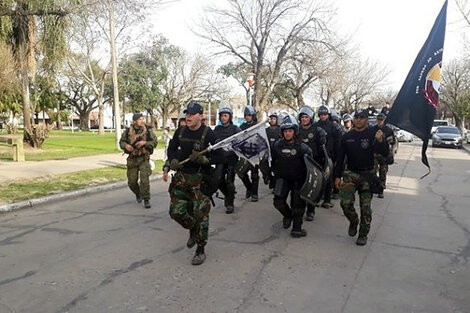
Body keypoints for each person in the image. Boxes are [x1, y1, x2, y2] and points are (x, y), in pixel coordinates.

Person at [164, 101, 218, 265]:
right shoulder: (180, 131)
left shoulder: (209, 134)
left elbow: (221, 156)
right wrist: (172, 160)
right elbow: (172, 149)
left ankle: (200, 250)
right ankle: (193, 228)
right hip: (181, 179)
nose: (188, 117)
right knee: (176, 212)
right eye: (187, 113)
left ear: (200, 116)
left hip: (200, 181)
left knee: (201, 216)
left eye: (192, 114)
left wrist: (204, 159)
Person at [334, 109, 389, 246]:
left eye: (362, 117)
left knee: (365, 208)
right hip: (351, 174)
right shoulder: (347, 137)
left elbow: (385, 152)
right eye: (356, 117)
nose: (358, 120)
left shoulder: (373, 134)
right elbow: (340, 158)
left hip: (367, 175)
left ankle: (363, 234)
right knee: (345, 204)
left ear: (366, 119)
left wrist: (381, 140)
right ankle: (353, 221)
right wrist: (337, 176)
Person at [272, 114, 313, 237]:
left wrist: (308, 183)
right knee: (278, 202)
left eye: (290, 131)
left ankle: (297, 229)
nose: (287, 133)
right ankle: (287, 215)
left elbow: (311, 167)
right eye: (285, 131)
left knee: (298, 205)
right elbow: (272, 161)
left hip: (298, 180)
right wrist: (270, 175)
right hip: (282, 178)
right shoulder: (277, 146)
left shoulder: (303, 148)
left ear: (294, 131)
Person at [119, 113, 157, 209]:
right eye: (139, 119)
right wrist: (126, 146)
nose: (142, 121)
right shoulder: (128, 131)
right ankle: (138, 193)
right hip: (132, 158)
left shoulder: (147, 131)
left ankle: (146, 199)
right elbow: (121, 142)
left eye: (142, 119)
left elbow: (154, 142)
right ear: (134, 121)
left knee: (144, 180)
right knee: (132, 181)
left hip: (143, 158)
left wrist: (145, 143)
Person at [297, 106, 327, 221]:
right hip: (300, 164)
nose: (304, 119)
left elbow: (322, 149)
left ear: (311, 118)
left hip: (314, 164)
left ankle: (311, 210)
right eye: (302, 117)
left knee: (312, 188)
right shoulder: (296, 130)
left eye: (306, 117)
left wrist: (323, 164)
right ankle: (299, 210)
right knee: (299, 188)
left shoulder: (318, 131)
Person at [213, 107, 241, 214]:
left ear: (230, 117)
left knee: (229, 182)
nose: (223, 118)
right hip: (220, 159)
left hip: (231, 160)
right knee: (218, 180)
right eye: (222, 116)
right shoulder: (217, 129)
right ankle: (229, 195)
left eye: (226, 115)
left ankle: (229, 203)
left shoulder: (235, 129)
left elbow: (241, 141)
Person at [314, 105, 342, 208]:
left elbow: (338, 143)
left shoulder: (333, 126)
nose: (323, 116)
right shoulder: (315, 126)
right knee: (317, 177)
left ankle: (327, 200)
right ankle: (316, 198)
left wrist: (338, 158)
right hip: (317, 156)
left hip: (330, 156)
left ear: (328, 115)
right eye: (321, 114)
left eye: (325, 114)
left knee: (329, 178)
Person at [371, 113, 396, 198]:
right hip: (374, 154)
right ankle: (373, 188)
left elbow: (392, 143)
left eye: (381, 120)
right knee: (373, 172)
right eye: (378, 120)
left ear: (384, 120)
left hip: (384, 155)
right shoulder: (373, 129)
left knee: (383, 173)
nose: (379, 121)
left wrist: (391, 154)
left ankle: (381, 189)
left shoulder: (388, 130)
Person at [238, 105, 260, 202]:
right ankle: (249, 188)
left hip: (255, 153)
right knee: (241, 172)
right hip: (245, 153)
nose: (248, 117)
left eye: (250, 115)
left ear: (253, 116)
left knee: (254, 174)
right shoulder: (242, 127)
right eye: (246, 115)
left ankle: (254, 193)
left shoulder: (258, 126)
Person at [262, 112, 281, 189]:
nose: (272, 120)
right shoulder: (266, 130)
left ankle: (275, 184)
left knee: (276, 170)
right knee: (267, 169)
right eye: (271, 119)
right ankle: (270, 180)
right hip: (268, 153)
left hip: (277, 153)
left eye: (274, 119)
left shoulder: (280, 130)